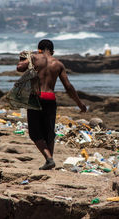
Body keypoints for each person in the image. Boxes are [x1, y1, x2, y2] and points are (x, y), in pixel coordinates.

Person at [16, 39, 87, 170]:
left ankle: (49, 159)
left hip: (36, 97)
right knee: (49, 132)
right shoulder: (58, 64)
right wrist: (79, 103)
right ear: (53, 51)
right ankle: (50, 161)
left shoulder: (34, 58)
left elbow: (19, 68)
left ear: (39, 49)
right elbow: (68, 87)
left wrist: (22, 57)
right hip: (50, 98)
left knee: (35, 133)